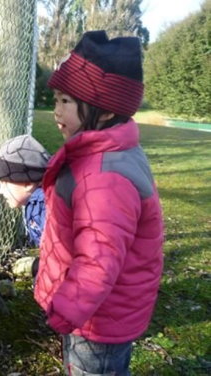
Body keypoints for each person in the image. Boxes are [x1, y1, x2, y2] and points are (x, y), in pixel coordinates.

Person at [34, 30, 164, 376]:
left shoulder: (105, 177)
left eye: (66, 102)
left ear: (104, 111)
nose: (56, 111)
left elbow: (99, 256)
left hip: (97, 320)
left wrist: (66, 308)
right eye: (56, 99)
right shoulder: (102, 154)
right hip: (95, 311)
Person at [0, 134, 51, 248]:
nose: (0, 191)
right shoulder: (35, 201)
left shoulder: (45, 207)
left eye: (4, 183)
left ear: (27, 183)